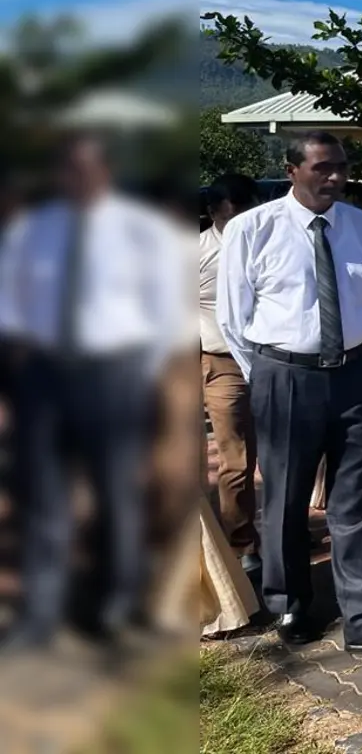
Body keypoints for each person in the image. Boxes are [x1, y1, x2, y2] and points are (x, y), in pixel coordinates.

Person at [216, 131, 362, 658]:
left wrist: (350, 348)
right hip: (286, 375)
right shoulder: (251, 230)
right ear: (292, 170)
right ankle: (290, 602)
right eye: (322, 167)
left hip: (355, 375)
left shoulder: (360, 228)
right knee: (286, 495)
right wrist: (268, 371)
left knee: (360, 494)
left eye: (342, 167)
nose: (335, 177)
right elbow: (233, 316)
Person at [0, 134, 189, 651]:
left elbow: (166, 311)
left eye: (87, 169)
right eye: (68, 170)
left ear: (105, 173)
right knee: (45, 498)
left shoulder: (140, 232)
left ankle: (114, 610)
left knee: (117, 497)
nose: (77, 179)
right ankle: (42, 614)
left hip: (115, 378)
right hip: (44, 377)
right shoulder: (33, 230)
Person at [200, 174, 263, 580]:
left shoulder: (267, 244)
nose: (243, 220)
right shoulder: (196, 253)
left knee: (260, 456)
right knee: (234, 460)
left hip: (263, 362)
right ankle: (239, 544)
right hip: (216, 362)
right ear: (213, 213)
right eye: (233, 213)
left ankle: (260, 539)